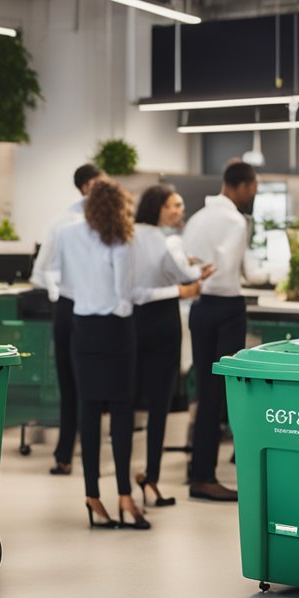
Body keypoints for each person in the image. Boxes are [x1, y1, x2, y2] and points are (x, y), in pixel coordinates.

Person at [52, 178, 147, 530]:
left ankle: (93, 495)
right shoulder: (123, 239)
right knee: (122, 413)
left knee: (88, 412)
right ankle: (125, 494)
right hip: (117, 330)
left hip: (83, 328)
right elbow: (126, 294)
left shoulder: (66, 234)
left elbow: (66, 284)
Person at [182, 161, 269, 502]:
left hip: (199, 308)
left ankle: (200, 471)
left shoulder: (198, 218)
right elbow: (229, 269)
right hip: (226, 309)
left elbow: (190, 265)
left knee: (207, 393)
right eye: (255, 188)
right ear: (244, 186)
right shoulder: (235, 219)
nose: (254, 194)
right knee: (226, 394)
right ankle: (205, 476)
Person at [130, 184, 214, 507]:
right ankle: (151, 477)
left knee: (126, 404)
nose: (179, 211)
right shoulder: (164, 240)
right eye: (173, 206)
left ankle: (126, 483)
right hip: (163, 322)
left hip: (132, 323)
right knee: (159, 404)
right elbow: (182, 277)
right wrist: (196, 277)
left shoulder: (128, 235)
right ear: (157, 208)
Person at [29, 163, 104, 476]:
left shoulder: (106, 221)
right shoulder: (65, 222)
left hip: (84, 310)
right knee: (73, 383)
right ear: (87, 186)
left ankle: (78, 456)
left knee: (85, 385)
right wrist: (62, 294)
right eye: (100, 183)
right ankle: (68, 454)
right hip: (78, 310)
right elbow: (41, 272)